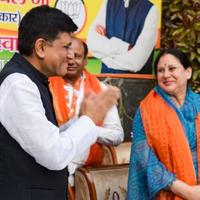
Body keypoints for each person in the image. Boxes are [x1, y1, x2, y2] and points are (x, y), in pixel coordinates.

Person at [0, 5, 120, 200]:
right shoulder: (18, 84)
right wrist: (89, 119)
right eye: (65, 47)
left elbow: (47, 137)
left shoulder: (32, 79)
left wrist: (80, 120)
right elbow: (53, 153)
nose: (70, 55)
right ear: (40, 47)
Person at [49, 37, 124, 186]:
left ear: (85, 61)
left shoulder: (101, 91)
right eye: (67, 56)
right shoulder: (46, 86)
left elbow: (117, 135)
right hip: (52, 173)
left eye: (77, 56)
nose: (71, 61)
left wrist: (88, 129)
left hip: (90, 176)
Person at [127, 48, 200, 199]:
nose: (166, 75)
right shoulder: (146, 110)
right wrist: (186, 191)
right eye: (160, 70)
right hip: (167, 191)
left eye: (172, 68)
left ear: (188, 72)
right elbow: (144, 160)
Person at [87, 0, 159, 74]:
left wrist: (105, 57)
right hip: (107, 80)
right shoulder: (108, 2)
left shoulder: (151, 10)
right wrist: (125, 48)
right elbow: (92, 43)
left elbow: (136, 63)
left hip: (137, 82)